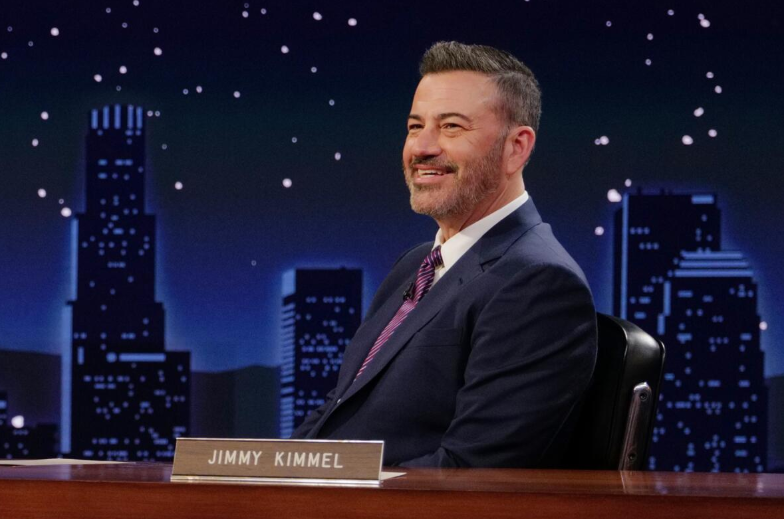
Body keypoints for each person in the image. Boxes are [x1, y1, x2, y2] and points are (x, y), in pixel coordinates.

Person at [291, 41, 597, 468]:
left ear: (516, 147)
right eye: (415, 126)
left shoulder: (538, 282)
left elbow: (469, 471)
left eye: (451, 127)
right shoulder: (415, 264)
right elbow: (337, 410)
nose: (422, 147)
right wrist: (266, 475)